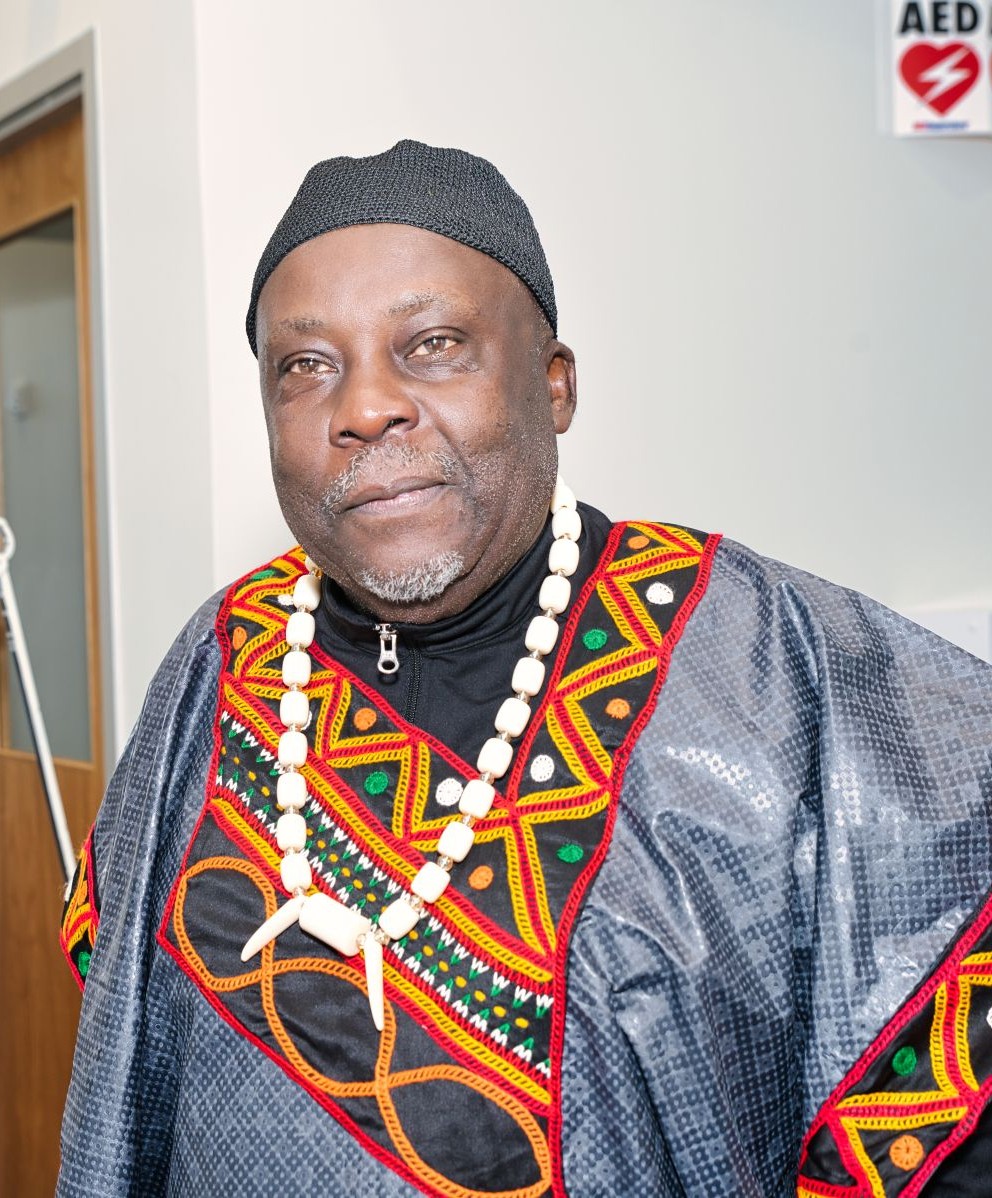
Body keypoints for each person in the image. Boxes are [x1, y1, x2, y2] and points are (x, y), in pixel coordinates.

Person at [58, 140, 992, 1197]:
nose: (364, 406)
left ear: (554, 386)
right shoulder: (226, 657)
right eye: (305, 366)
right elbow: (128, 1042)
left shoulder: (765, 661)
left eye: (432, 345)